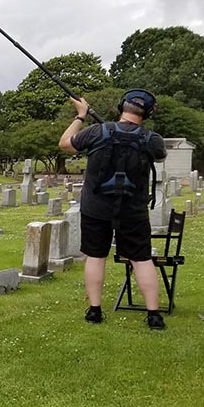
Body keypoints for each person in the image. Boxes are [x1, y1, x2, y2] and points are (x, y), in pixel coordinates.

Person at [59, 90, 168, 330]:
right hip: (133, 211)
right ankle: (154, 316)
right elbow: (160, 157)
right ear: (149, 113)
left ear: (122, 106)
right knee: (141, 259)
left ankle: (95, 311)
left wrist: (81, 116)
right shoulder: (152, 139)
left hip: (96, 208)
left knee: (96, 257)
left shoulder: (98, 131)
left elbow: (65, 144)